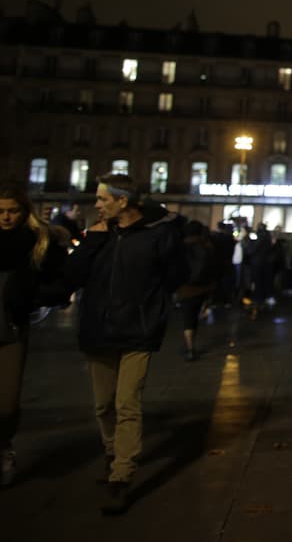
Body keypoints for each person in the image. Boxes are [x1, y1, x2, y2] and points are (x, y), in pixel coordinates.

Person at [63, 174, 185, 514]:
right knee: (104, 405)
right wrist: (90, 244)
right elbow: (71, 277)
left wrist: (154, 308)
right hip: (98, 331)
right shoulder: (98, 234)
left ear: (123, 202)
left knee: (127, 403)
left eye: (103, 199)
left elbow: (176, 275)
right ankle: (112, 451)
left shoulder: (157, 235)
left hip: (137, 332)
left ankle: (121, 475)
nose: (97, 205)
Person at [0, 181, 64, 488]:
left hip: (11, 327)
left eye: (12, 211)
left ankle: (4, 446)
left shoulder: (36, 242)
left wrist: (34, 298)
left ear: (24, 212)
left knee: (7, 401)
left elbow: (60, 279)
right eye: (0, 211)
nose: (6, 217)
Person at [175, 220, 218, 361]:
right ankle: (192, 343)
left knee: (188, 317)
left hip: (185, 288)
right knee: (195, 315)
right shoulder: (207, 247)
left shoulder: (180, 247)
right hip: (203, 288)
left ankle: (190, 347)